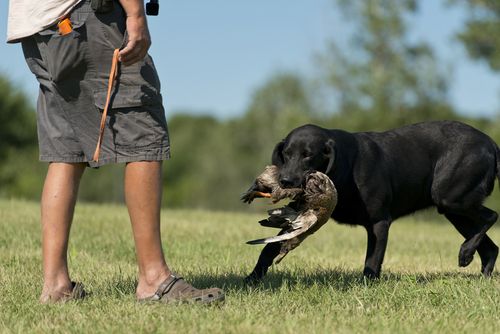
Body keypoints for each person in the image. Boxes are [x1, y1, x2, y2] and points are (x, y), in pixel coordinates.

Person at [7, 0, 224, 304]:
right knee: (144, 134)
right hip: (87, 17)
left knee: (67, 150)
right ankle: (154, 280)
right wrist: (135, 12)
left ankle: (56, 286)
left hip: (38, 26)